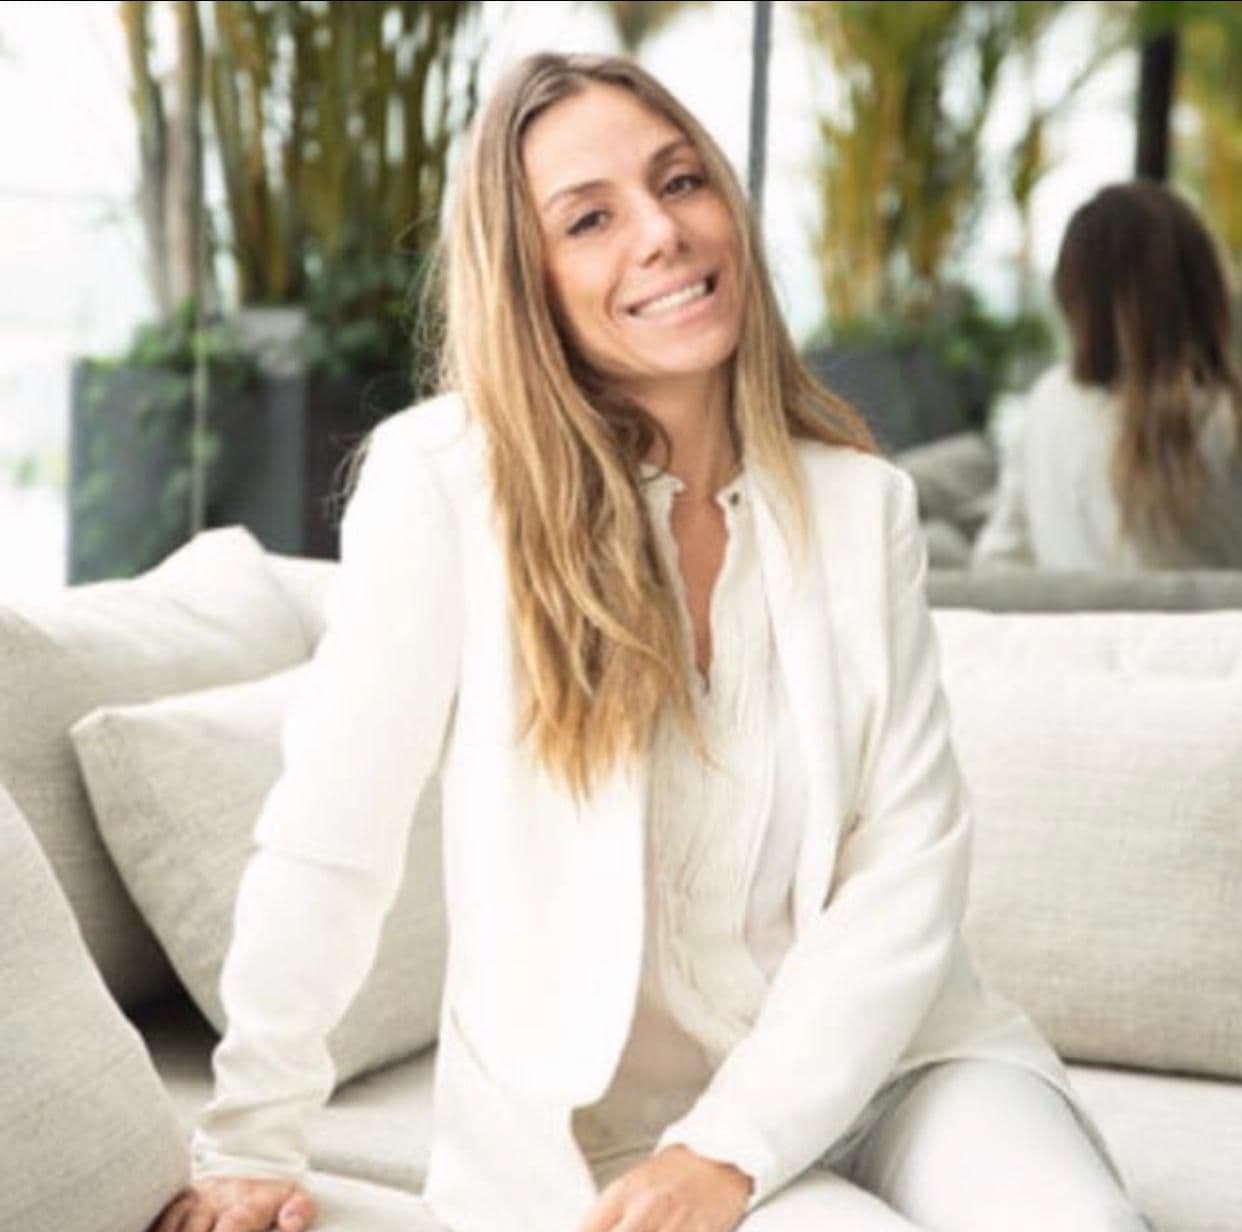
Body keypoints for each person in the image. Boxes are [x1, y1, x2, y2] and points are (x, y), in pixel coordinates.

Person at [156, 52, 1152, 1232]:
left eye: (680, 182)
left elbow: (909, 858)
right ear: (527, 278)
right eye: (590, 218)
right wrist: (252, 1133)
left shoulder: (861, 505)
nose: (662, 232)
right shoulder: (445, 484)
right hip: (612, 1126)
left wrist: (732, 1145)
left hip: (903, 1062)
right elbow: (334, 832)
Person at [973, 180, 1242, 571]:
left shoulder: (1047, 404)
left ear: (1072, 297)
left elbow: (997, 564)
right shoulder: (1227, 420)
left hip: (1070, 614)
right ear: (1206, 289)